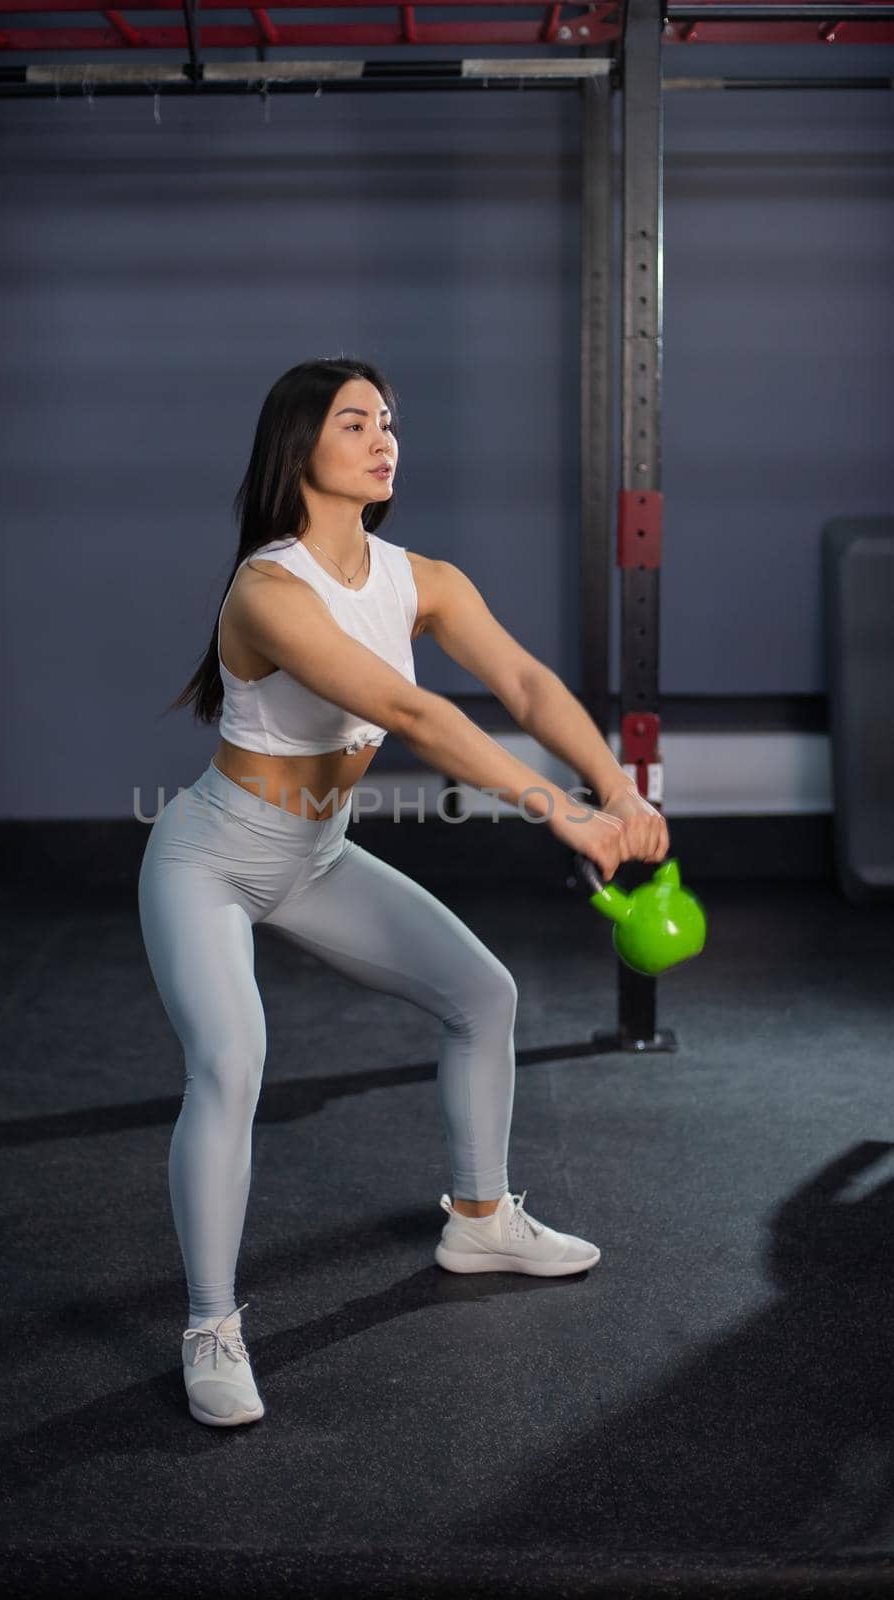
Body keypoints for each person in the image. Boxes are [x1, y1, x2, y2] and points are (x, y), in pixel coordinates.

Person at [138, 357, 669, 1428]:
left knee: (484, 996)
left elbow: (523, 682)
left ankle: (478, 1219)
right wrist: (565, 815)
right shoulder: (268, 588)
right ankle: (209, 1325)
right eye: (354, 422)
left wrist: (618, 785)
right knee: (232, 1062)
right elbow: (413, 715)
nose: (384, 439)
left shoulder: (419, 577)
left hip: (317, 856)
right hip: (210, 859)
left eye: (388, 421)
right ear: (301, 448)